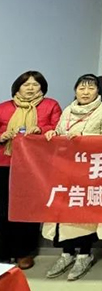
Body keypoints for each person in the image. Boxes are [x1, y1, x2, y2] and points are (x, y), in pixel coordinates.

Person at [43, 74, 102, 280]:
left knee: (84, 214)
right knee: (63, 213)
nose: (85, 92)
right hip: (65, 169)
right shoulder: (68, 110)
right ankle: (66, 254)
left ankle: (84, 254)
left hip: (90, 170)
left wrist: (84, 139)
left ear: (98, 91)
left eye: (90, 88)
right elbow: (60, 132)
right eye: (81, 88)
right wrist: (52, 135)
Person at [0, 71, 61, 269]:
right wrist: (2, 136)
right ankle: (3, 252)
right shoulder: (4, 107)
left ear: (42, 87)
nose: (30, 88)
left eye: (35, 85)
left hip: (34, 165)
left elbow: (58, 128)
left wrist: (40, 130)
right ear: (17, 87)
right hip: (5, 163)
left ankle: (24, 252)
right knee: (3, 210)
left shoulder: (50, 105)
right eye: (26, 84)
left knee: (27, 209)